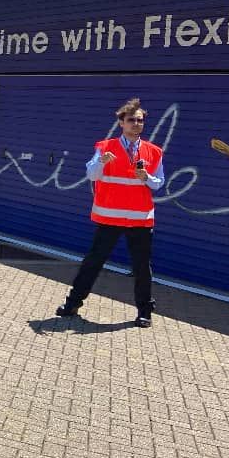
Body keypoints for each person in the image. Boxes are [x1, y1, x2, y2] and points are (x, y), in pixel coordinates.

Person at [56, 97, 165, 328]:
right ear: (121, 123)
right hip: (110, 217)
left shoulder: (154, 152)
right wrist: (102, 163)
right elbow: (92, 175)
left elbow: (159, 183)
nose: (136, 124)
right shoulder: (104, 148)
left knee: (141, 267)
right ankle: (72, 304)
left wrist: (148, 178)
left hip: (139, 219)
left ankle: (145, 312)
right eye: (131, 120)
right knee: (93, 263)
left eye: (140, 120)